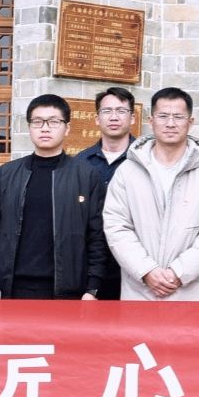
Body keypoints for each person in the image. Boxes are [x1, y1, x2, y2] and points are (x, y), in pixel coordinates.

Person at [105, 86, 199, 301]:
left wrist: (179, 272)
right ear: (151, 120)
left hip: (193, 293)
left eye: (178, 117)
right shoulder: (128, 171)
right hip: (140, 291)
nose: (170, 123)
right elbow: (116, 226)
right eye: (163, 116)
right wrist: (146, 270)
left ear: (190, 122)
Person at [0, 94, 108, 300]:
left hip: (69, 290)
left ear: (67, 128)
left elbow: (97, 235)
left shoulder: (86, 175)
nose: (45, 128)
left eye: (54, 122)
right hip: (16, 287)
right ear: (29, 127)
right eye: (38, 122)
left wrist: (92, 287)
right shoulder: (6, 174)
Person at [78, 87, 136, 300]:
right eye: (107, 111)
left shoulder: (146, 160)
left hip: (135, 264)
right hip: (90, 266)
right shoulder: (81, 163)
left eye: (121, 111)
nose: (114, 117)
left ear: (132, 118)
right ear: (96, 118)